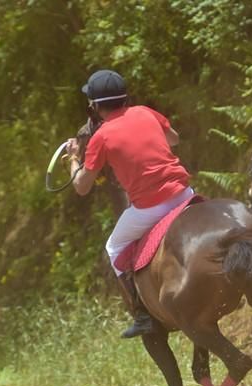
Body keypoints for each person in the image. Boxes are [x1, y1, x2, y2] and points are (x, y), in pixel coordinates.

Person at [66, 69, 193, 338]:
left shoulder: (101, 137)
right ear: (125, 97)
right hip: (183, 192)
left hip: (150, 206)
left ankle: (142, 314)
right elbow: (175, 139)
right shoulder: (146, 111)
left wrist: (74, 158)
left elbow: (81, 186)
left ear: (96, 106)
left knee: (113, 247)